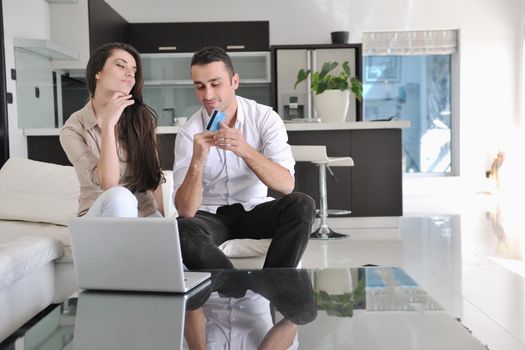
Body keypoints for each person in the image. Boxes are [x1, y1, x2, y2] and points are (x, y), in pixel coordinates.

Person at [173, 46, 315, 269]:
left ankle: (276, 282)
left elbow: (286, 185)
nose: (207, 95)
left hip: (254, 210)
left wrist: (245, 150)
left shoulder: (264, 118)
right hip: (211, 215)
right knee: (182, 228)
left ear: (235, 82)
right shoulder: (189, 131)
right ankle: (234, 286)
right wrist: (198, 160)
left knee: (302, 205)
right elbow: (186, 211)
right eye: (200, 87)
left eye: (215, 84)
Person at [60, 42, 164, 218]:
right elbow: (108, 183)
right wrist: (108, 126)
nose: (130, 73)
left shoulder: (141, 119)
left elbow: (154, 178)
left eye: (133, 70)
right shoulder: (73, 129)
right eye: (121, 65)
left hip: (143, 216)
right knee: (119, 196)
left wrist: (164, 220)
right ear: (97, 72)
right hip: (99, 218)